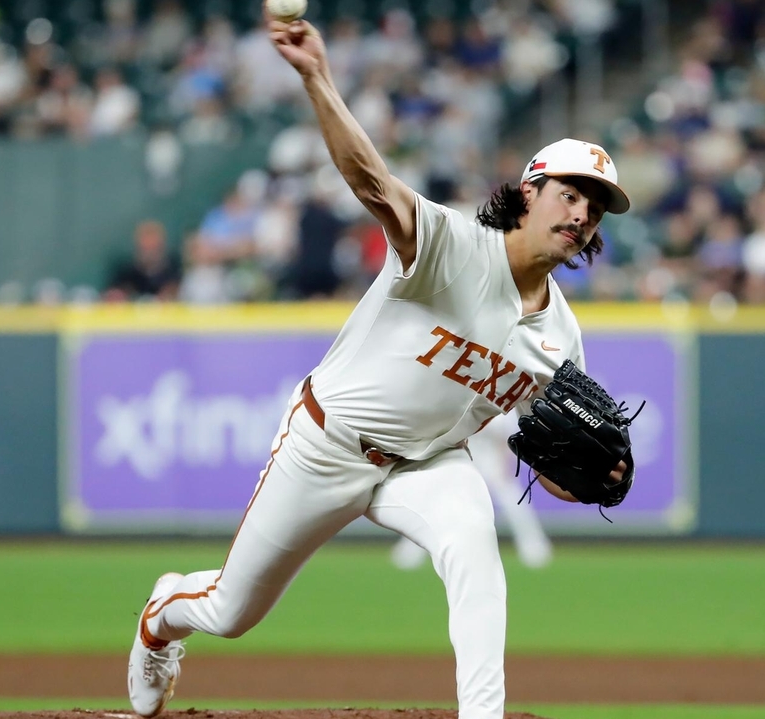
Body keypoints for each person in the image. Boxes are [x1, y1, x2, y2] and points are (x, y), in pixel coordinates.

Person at [126, 11, 632, 719]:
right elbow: (369, 179)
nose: (582, 212)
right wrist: (317, 77)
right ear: (527, 194)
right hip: (327, 443)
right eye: (569, 194)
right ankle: (163, 611)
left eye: (595, 206)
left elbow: (548, 460)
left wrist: (589, 483)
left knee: (476, 552)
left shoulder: (560, 338)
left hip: (427, 464)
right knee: (231, 610)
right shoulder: (456, 246)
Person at [390, 410, 553, 570]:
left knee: (512, 500)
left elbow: (504, 439)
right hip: (463, 456)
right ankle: (411, 550)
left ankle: (534, 547)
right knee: (435, 501)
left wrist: (504, 464)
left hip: (490, 458)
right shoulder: (460, 398)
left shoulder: (499, 399)